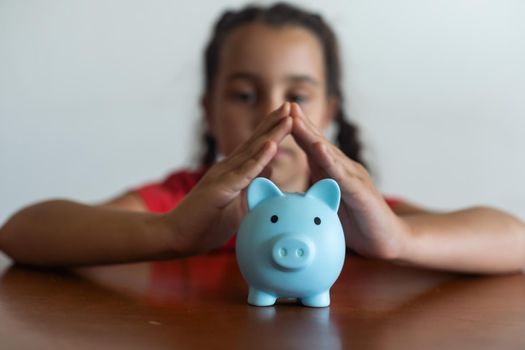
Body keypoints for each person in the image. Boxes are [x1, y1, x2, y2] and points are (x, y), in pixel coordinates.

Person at [0, 3, 524, 273]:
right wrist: (171, 234)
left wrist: (400, 240)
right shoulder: (184, 203)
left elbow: (516, 242)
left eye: (299, 93)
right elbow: (21, 231)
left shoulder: (349, 211)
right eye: (245, 95)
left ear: (332, 112)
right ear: (208, 111)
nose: (276, 114)